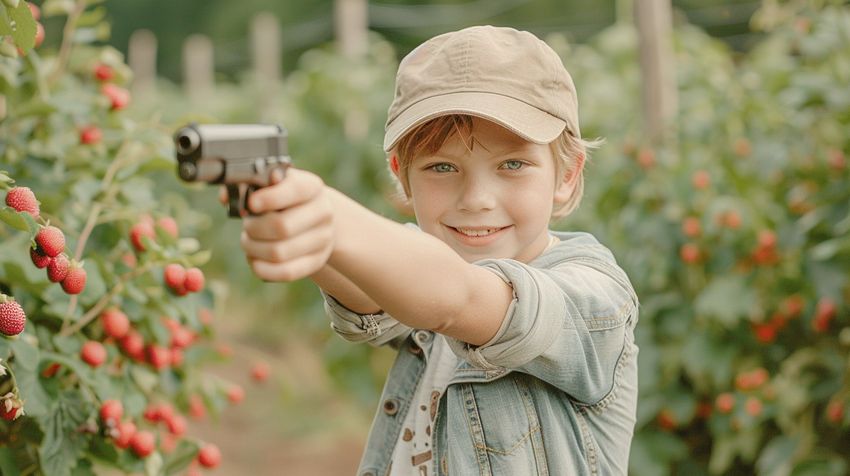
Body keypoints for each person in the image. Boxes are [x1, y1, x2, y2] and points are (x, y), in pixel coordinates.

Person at [239, 25, 640, 476]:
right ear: (402, 174)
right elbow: (368, 302)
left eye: (513, 164)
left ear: (566, 176)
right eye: (442, 167)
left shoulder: (593, 299)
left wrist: (327, 216)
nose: (476, 198)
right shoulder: (424, 268)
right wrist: (309, 234)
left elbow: (463, 298)